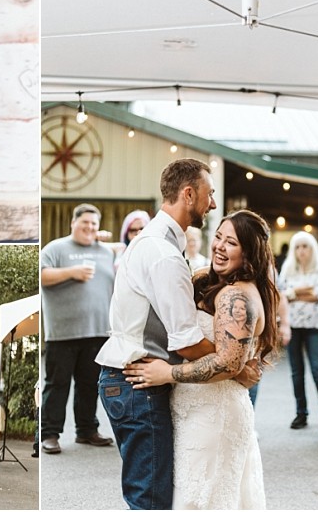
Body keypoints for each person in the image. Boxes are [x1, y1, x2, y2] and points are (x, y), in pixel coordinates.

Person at [123, 209, 278, 510]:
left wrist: (168, 373)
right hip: (193, 412)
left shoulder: (239, 298)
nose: (219, 246)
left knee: (200, 501)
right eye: (218, 237)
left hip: (215, 416)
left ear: (249, 253)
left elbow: (227, 364)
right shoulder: (206, 282)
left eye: (231, 242)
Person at [97, 158, 223, 509]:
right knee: (150, 500)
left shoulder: (152, 242)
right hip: (138, 386)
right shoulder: (163, 254)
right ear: (188, 194)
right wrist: (232, 362)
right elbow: (186, 342)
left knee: (147, 495)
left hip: (126, 381)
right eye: (208, 194)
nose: (211, 203)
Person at [40, 203, 115, 454]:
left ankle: (86, 430)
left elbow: (126, 247)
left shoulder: (106, 251)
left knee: (89, 384)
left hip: (97, 331)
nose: (89, 228)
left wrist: (106, 240)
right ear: (73, 223)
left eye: (94, 224)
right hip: (62, 332)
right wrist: (72, 272)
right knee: (57, 385)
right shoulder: (56, 248)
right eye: (85, 223)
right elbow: (41, 275)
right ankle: (50, 434)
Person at [278, 231, 318, 435]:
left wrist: (295, 293)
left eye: (305, 246)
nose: (301, 251)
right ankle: (301, 413)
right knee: (296, 372)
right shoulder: (287, 268)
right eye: (297, 247)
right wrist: (305, 291)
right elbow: (282, 296)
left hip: (314, 325)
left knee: (317, 370)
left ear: (313, 248)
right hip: (293, 324)